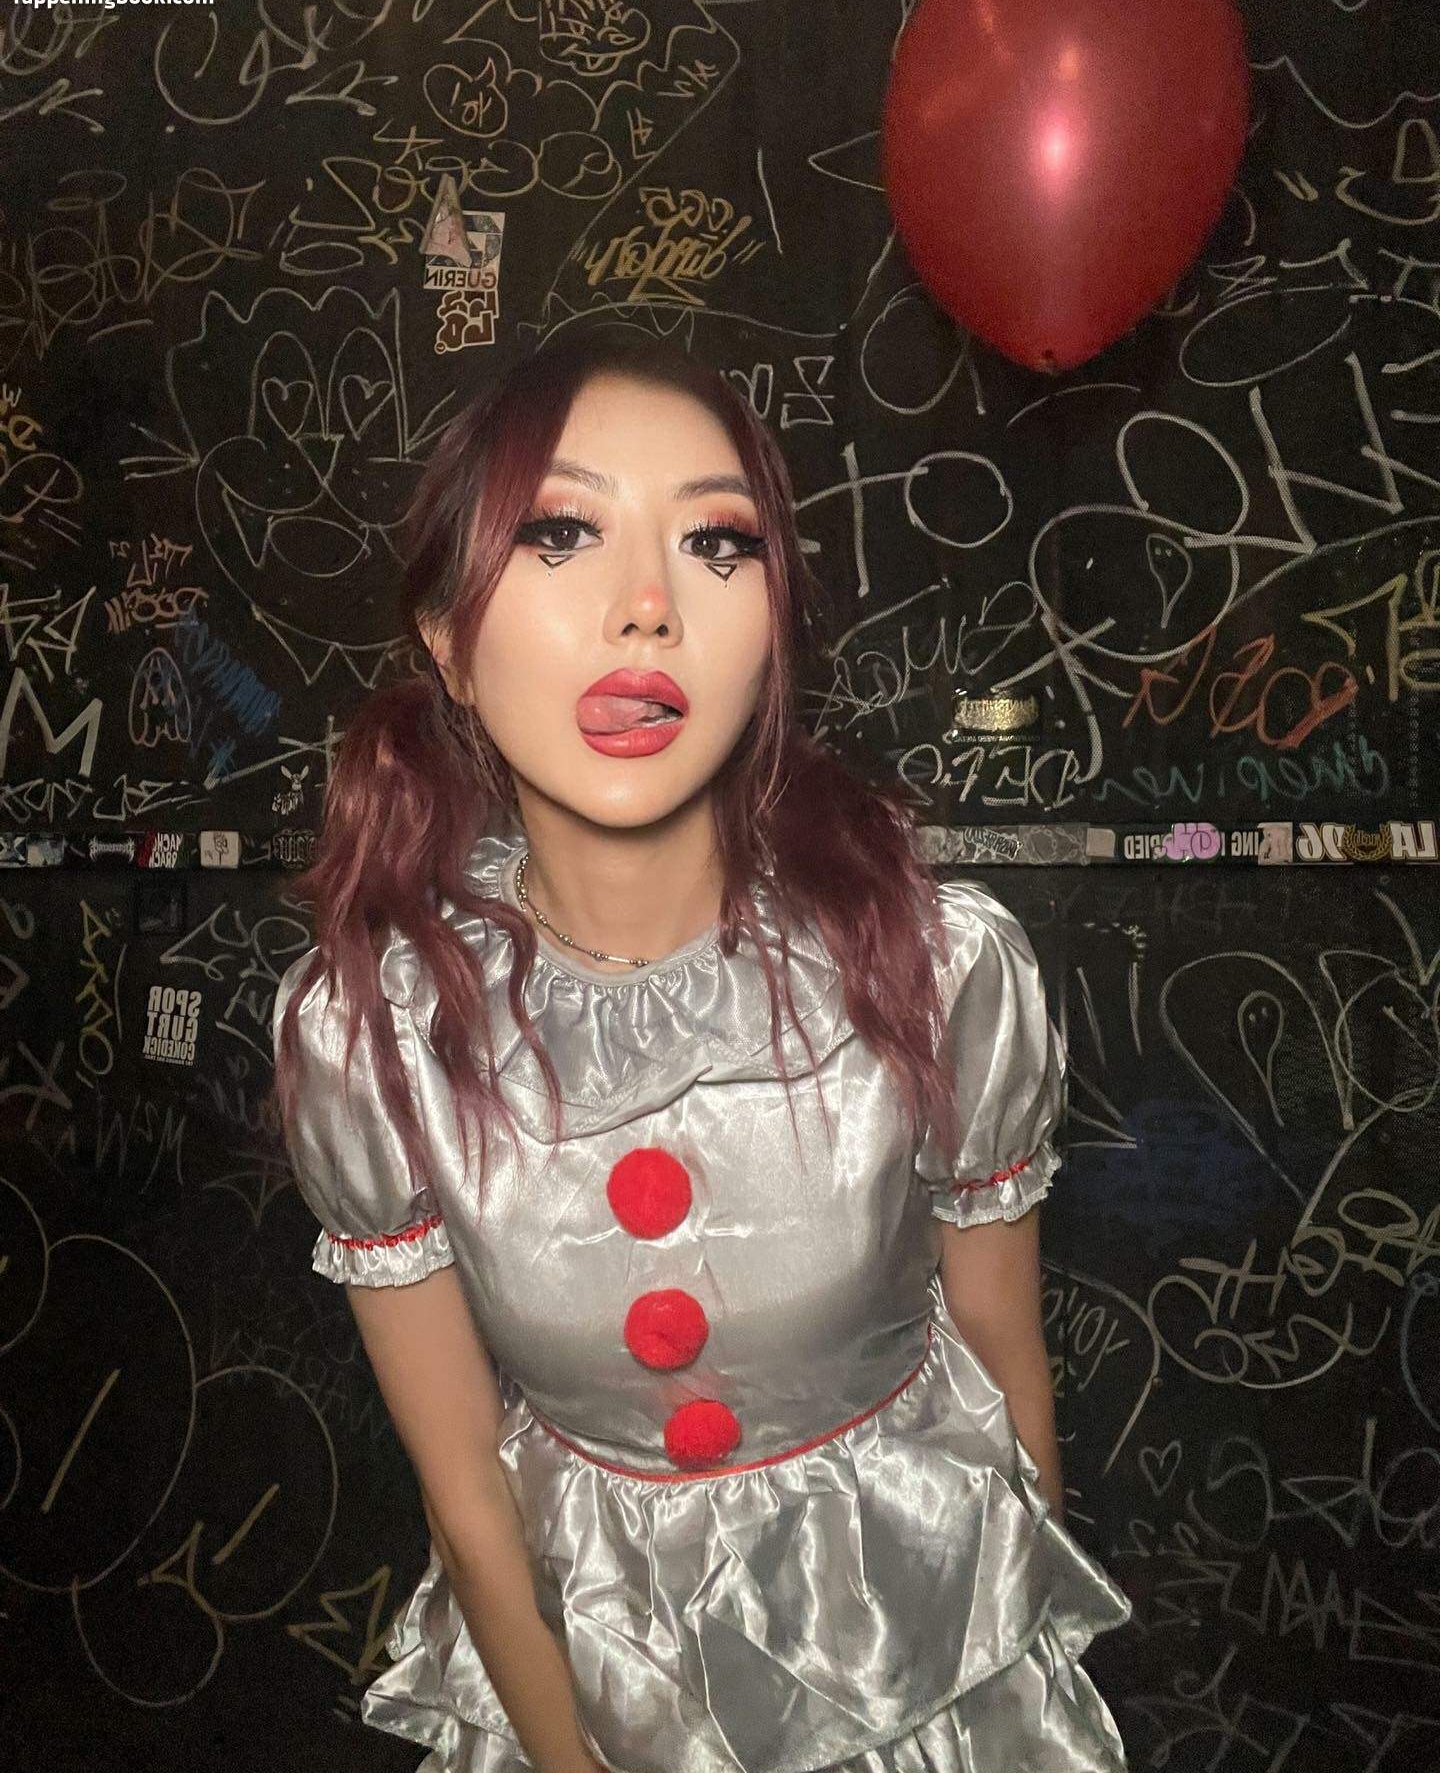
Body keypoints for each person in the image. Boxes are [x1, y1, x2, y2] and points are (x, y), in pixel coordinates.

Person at [271, 328, 1131, 1773]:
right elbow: (468, 1501)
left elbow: (1007, 1381)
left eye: (718, 543)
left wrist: (1012, 1695)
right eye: (560, 533)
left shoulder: (936, 965)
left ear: (775, 627)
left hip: (922, 1681)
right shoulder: (379, 1032)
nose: (648, 607)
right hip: (584, 1689)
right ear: (447, 643)